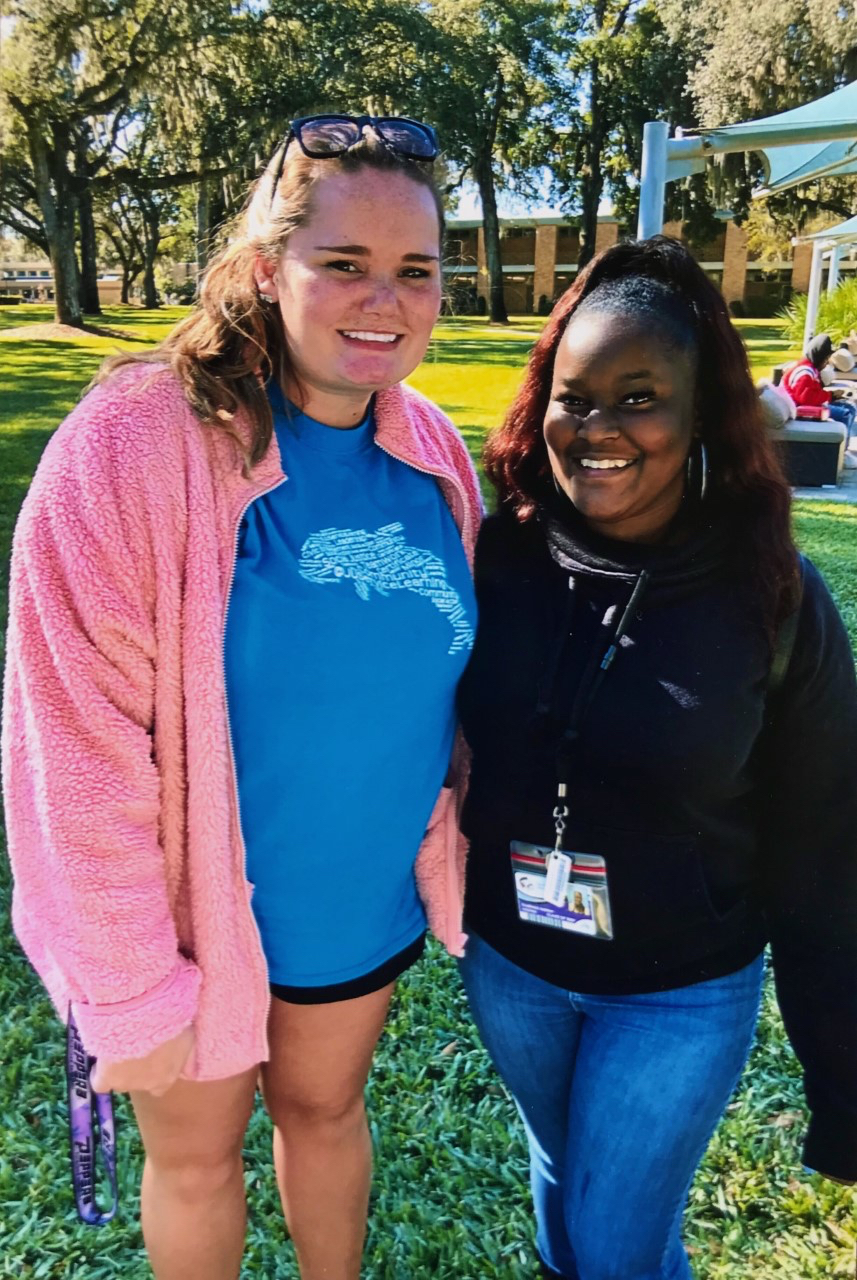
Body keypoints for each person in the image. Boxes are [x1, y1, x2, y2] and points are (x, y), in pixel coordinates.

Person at [2, 115, 481, 1280]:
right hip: (184, 927)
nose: (386, 298)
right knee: (199, 1162)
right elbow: (76, 733)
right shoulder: (130, 443)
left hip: (353, 907)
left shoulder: (431, 449)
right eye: (345, 264)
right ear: (268, 267)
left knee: (326, 1116)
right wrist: (127, 982)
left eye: (415, 269)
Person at [456, 236, 857, 1279]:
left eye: (637, 398)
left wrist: (841, 1074)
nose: (594, 429)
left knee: (618, 1242)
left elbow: (823, 847)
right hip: (513, 964)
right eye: (571, 396)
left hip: (676, 990)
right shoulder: (495, 556)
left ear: (697, 417)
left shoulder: (767, 597)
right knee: (558, 1179)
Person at [782, 332, 857, 468]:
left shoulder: (810, 369)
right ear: (820, 357)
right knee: (845, 413)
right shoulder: (804, 372)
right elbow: (805, 398)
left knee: (849, 407)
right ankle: (841, 455)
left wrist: (833, 395)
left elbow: (812, 392)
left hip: (803, 405)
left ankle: (842, 450)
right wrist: (830, 397)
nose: (827, 362)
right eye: (826, 358)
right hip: (799, 410)